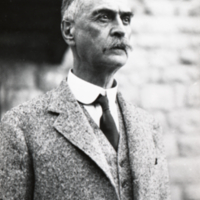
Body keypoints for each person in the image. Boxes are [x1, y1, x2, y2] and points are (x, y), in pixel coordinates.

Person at [0, 0, 171, 199]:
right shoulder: (20, 126)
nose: (120, 30)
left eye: (126, 19)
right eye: (104, 17)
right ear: (68, 31)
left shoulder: (149, 127)